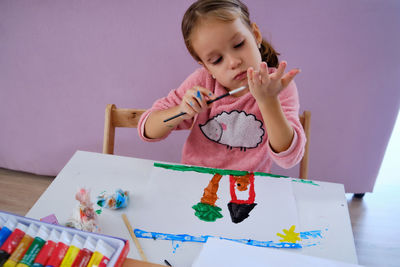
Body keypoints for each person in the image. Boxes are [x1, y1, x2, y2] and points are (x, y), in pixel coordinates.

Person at [138, 0, 306, 173]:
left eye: (239, 44)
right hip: (196, 179)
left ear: (255, 35)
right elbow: (147, 130)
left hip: (247, 187)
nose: (234, 62)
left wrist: (268, 102)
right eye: (216, 60)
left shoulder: (276, 87)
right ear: (206, 66)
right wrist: (181, 110)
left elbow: (289, 158)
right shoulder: (202, 82)